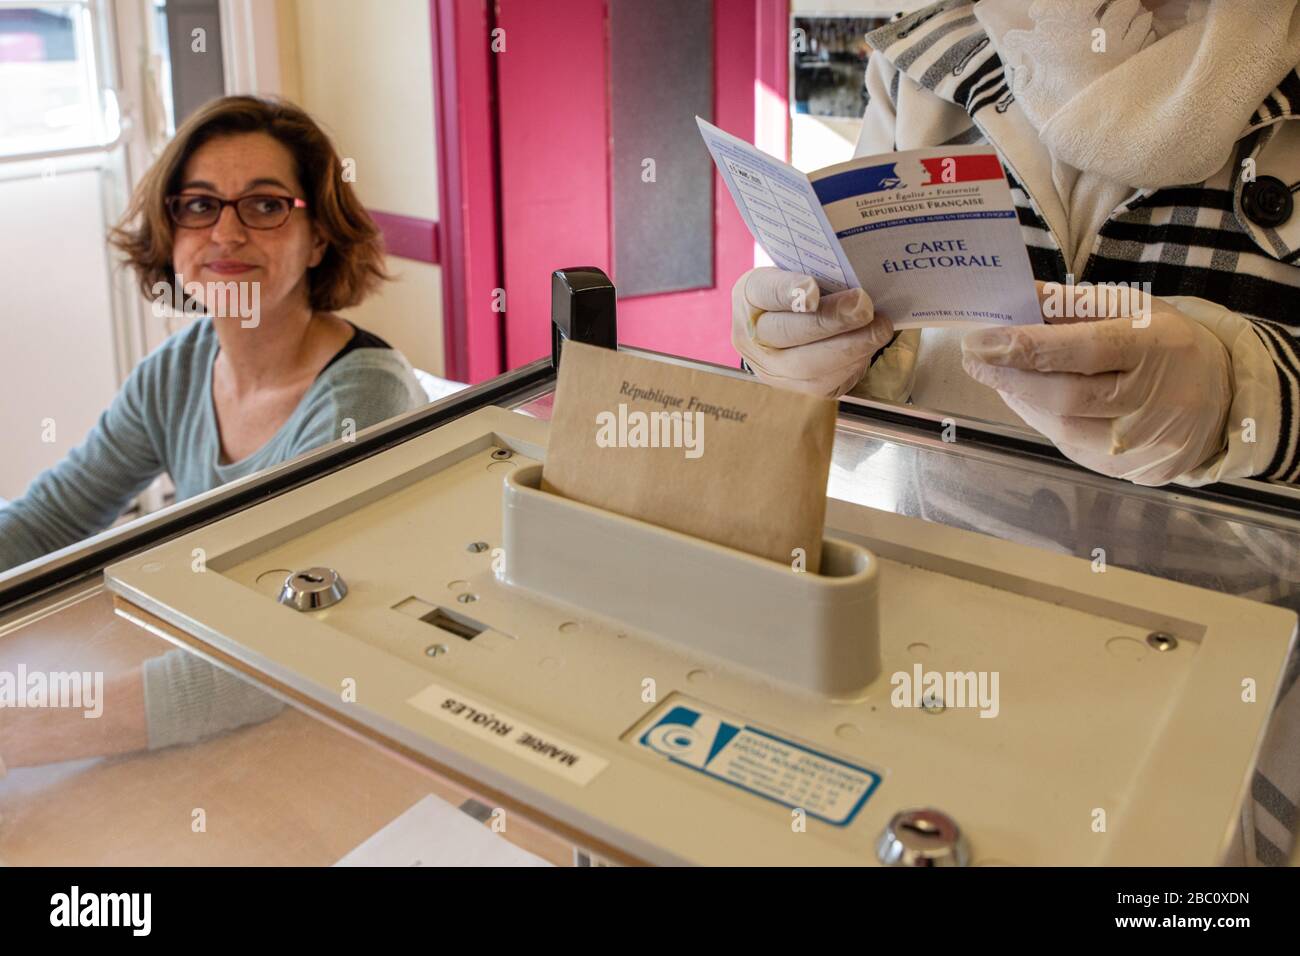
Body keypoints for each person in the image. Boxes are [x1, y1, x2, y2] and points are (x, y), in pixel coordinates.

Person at [0, 96, 428, 770]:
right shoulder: (178, 367)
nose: (225, 235)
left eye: (264, 206)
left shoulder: (361, 402)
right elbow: (51, 519)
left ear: (317, 237)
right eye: (198, 206)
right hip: (213, 703)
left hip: (332, 729)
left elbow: (276, 654)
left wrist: (20, 732)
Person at [733, 0, 1300, 489]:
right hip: (946, 581)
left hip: (1241, 597)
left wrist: (1240, 397)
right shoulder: (922, 62)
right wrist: (804, 361)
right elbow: (850, 412)